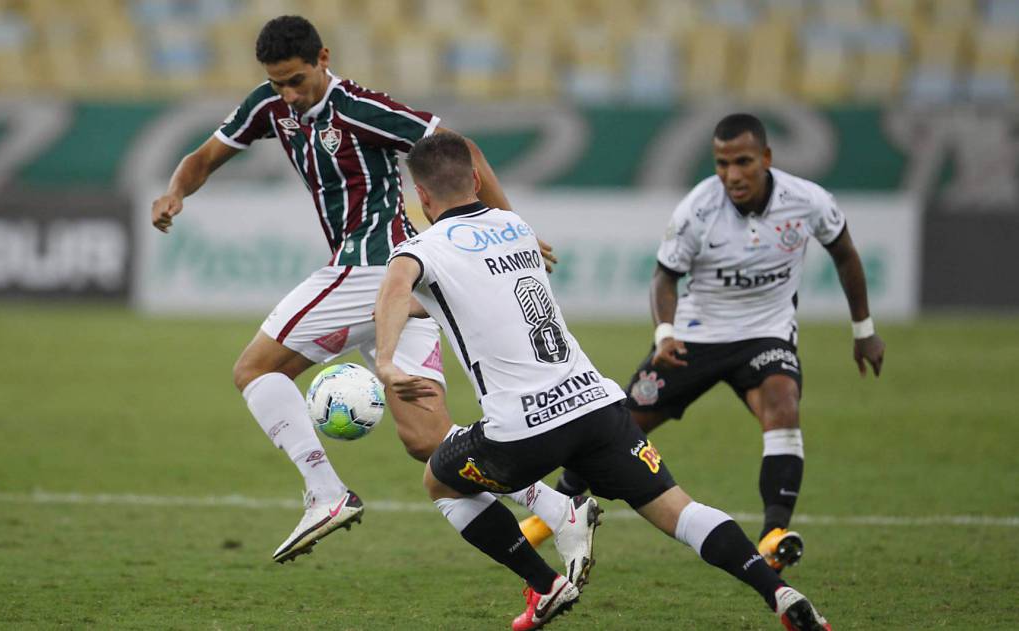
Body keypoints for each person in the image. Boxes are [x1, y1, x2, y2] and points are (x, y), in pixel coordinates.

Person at [150, 15, 579, 565]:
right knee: (426, 439)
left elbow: (461, 148)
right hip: (402, 281)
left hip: (372, 266)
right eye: (278, 83)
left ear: (323, 59)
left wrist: (505, 223)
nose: (289, 94)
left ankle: (325, 493)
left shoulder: (358, 108)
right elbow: (204, 157)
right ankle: (557, 508)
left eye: (297, 80)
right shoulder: (269, 105)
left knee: (254, 370)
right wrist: (175, 192)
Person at [374, 131, 832, 630]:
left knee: (440, 481)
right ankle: (778, 592)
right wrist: (415, 311)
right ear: (477, 181)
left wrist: (387, 360)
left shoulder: (419, 250)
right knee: (680, 511)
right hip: (596, 406)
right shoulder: (515, 226)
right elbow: (464, 298)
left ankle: (545, 583)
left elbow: (396, 288)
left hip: (523, 430)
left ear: (421, 196)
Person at [534, 113, 886, 573]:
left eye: (743, 162)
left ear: (766, 157)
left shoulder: (808, 201)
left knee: (783, 404)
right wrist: (665, 334)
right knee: (619, 424)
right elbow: (664, 278)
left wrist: (864, 330)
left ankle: (774, 535)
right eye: (722, 163)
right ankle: (551, 514)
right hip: (695, 338)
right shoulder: (698, 208)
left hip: (766, 334)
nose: (732, 175)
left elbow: (845, 254)